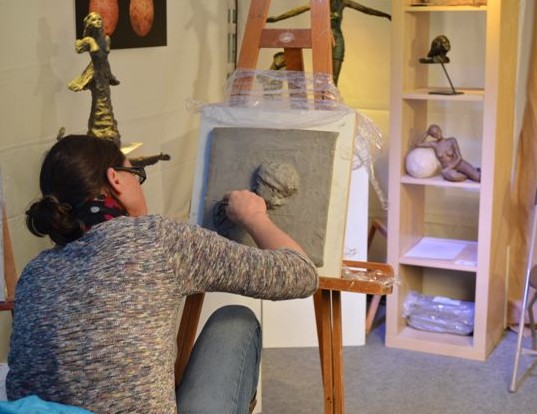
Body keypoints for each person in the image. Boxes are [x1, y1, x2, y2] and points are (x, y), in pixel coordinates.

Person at [6, 135, 318, 413]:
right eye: (136, 175)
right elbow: (301, 273)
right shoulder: (155, 238)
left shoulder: (33, 274)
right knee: (236, 321)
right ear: (115, 179)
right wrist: (254, 216)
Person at [266, 0, 391, 85]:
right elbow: (295, 11)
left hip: (337, 40)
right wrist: (276, 19)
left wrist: (385, 15)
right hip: (323, 41)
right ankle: (323, 105)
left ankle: (332, 105)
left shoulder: (343, 2)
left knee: (334, 78)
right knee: (322, 77)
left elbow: (366, 9)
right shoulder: (317, 3)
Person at [414, 124, 481, 182]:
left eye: (438, 132)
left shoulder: (451, 140)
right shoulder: (434, 144)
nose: (437, 134)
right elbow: (417, 144)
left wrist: (450, 167)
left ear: (440, 130)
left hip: (459, 164)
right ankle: (467, 175)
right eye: (434, 134)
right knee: (452, 176)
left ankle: (472, 171)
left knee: (478, 178)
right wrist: (427, 132)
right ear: (432, 136)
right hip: (447, 169)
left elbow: (459, 157)